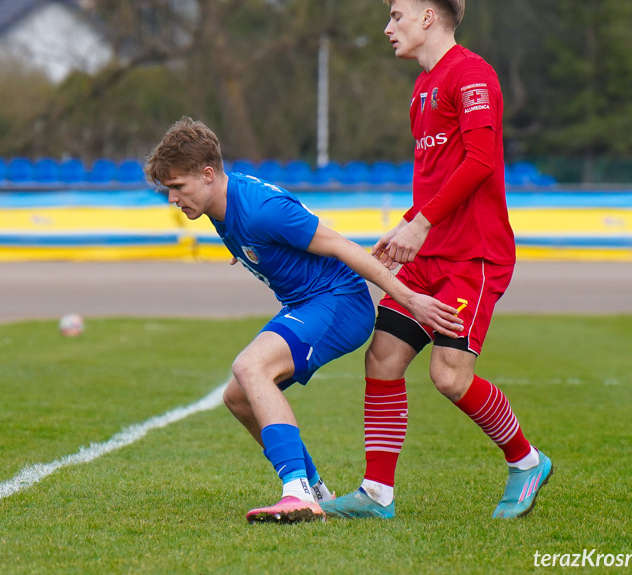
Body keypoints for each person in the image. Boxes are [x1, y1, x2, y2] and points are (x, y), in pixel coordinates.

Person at [145, 117, 463, 524]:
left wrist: (409, 299)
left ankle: (295, 490)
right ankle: (315, 490)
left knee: (250, 365)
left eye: (178, 187)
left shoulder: (261, 211)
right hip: (307, 303)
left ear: (208, 175)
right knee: (238, 396)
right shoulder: (222, 203)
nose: (173, 198)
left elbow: (344, 247)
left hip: (338, 303)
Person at [321, 0, 552, 520]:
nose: (387, 28)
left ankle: (527, 461)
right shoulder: (422, 88)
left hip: (474, 256)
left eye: (396, 15)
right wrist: (406, 225)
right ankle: (377, 494)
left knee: (449, 377)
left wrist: (420, 224)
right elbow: (435, 179)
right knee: (381, 356)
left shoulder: (472, 74)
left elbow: (480, 161)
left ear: (428, 16)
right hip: (430, 254)